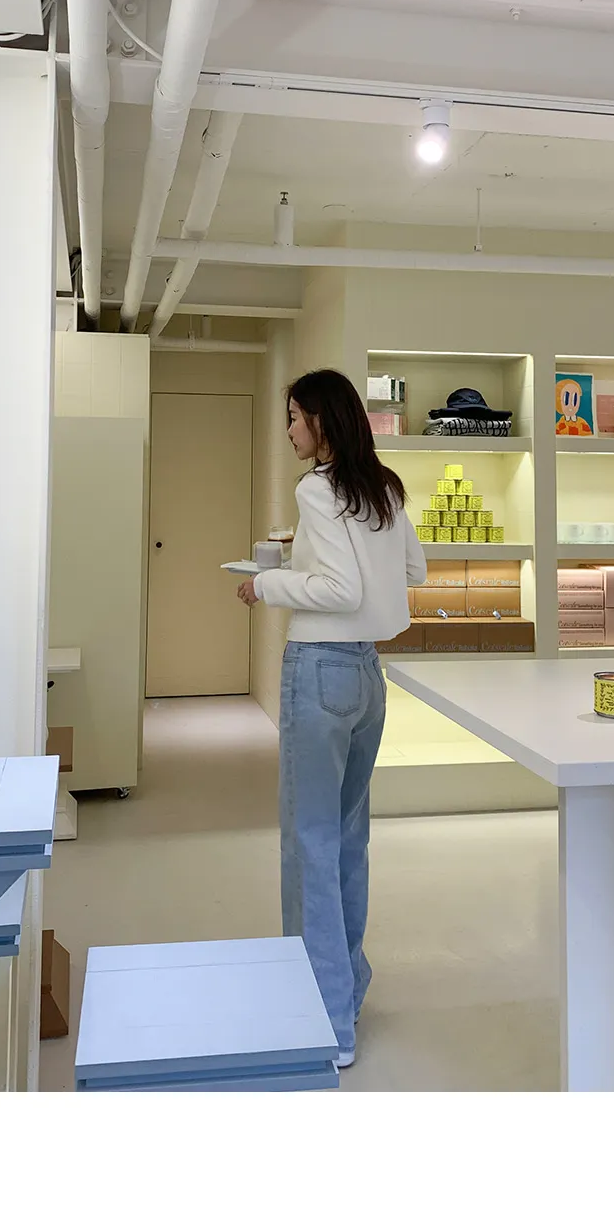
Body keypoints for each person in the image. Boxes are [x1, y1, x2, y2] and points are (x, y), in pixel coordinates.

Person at [237, 368, 427, 1067]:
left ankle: (325, 1020)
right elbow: (414, 571)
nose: (289, 429)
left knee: (309, 843)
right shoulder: (383, 486)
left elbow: (339, 588)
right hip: (368, 677)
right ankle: (344, 991)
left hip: (319, 672)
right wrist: (315, 561)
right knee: (347, 840)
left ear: (321, 420)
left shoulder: (316, 488)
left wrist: (267, 582)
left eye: (294, 416)